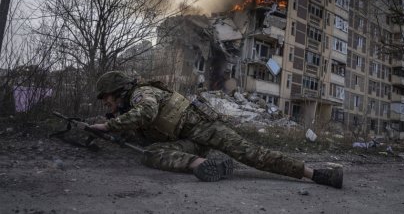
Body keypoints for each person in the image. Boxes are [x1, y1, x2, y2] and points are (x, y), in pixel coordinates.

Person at [89, 71, 343, 188]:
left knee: (254, 155)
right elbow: (142, 130)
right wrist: (110, 127)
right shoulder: (126, 107)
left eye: (106, 97)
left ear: (119, 90)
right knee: (150, 153)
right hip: (189, 143)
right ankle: (203, 164)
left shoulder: (140, 94)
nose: (106, 102)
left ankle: (317, 174)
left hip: (206, 129)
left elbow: (147, 112)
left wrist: (108, 124)